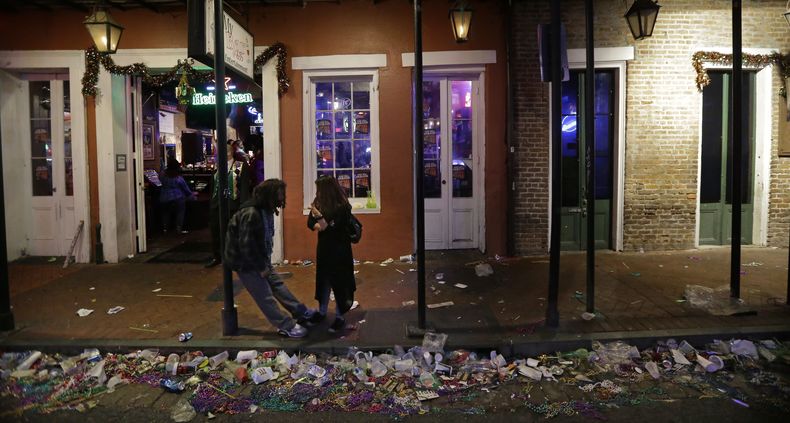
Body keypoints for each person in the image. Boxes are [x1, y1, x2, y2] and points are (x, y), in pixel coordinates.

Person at [224, 178, 316, 338]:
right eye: (279, 194)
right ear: (269, 195)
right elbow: (246, 246)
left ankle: (300, 311)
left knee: (278, 285)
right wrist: (261, 268)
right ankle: (286, 325)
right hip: (246, 263)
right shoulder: (251, 213)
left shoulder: (265, 209)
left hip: (259, 258)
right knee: (264, 295)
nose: (281, 198)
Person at [306, 175, 356, 333]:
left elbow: (328, 227)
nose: (317, 192)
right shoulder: (319, 202)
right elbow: (311, 223)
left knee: (339, 283)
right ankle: (322, 311)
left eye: (319, 189)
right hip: (324, 248)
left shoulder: (342, 206)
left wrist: (319, 217)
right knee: (324, 280)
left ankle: (340, 317)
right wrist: (319, 224)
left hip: (339, 249)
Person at [206, 140, 251, 268]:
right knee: (216, 232)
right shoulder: (216, 166)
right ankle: (217, 256)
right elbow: (213, 186)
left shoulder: (239, 165)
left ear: (229, 152)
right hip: (217, 205)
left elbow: (244, 186)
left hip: (232, 204)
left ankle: (233, 257)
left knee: (232, 232)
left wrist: (243, 205)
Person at [158, 158, 195, 234]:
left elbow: (159, 180)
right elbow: (185, 189)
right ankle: (179, 228)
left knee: (165, 212)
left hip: (164, 198)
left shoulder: (162, 174)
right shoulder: (178, 177)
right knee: (180, 211)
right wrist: (192, 195)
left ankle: (165, 229)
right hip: (177, 198)